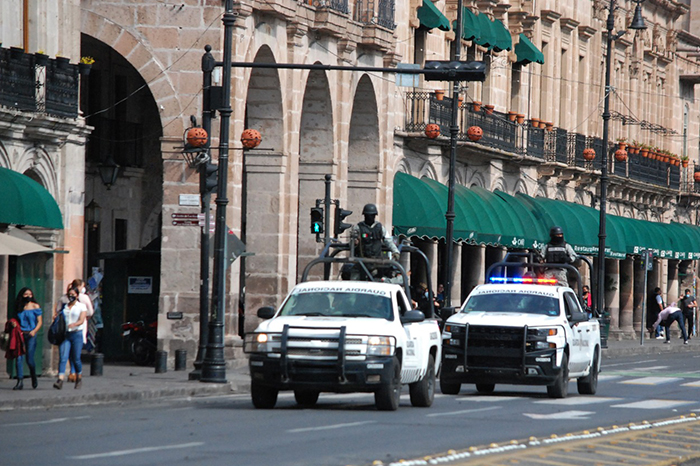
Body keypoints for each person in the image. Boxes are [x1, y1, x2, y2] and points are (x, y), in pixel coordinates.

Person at [350, 204, 400, 280]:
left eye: (371, 215)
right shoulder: (358, 228)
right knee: (353, 280)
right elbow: (352, 244)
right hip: (361, 262)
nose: (369, 217)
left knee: (379, 281)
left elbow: (388, 240)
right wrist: (355, 242)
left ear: (375, 216)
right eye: (367, 215)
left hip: (376, 263)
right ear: (364, 215)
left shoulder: (380, 228)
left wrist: (395, 251)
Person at [53, 286, 88, 390]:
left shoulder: (81, 306)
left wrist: (75, 324)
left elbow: (82, 320)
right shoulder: (65, 306)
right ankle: (60, 379)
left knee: (76, 358)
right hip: (66, 334)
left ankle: (79, 377)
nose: (71, 296)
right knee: (63, 357)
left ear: (77, 295)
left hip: (77, 334)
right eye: (70, 294)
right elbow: (58, 315)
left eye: (73, 294)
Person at [11, 287, 43, 390]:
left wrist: (34, 331)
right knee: (19, 358)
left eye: (30, 294)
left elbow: (40, 322)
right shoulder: (20, 307)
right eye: (26, 294)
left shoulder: (35, 306)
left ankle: (33, 376)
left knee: (29, 359)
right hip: (21, 334)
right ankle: (20, 381)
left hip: (31, 334)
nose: (28, 296)